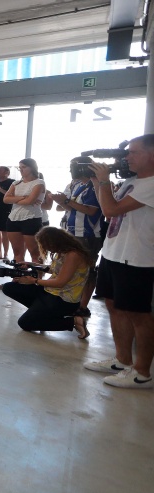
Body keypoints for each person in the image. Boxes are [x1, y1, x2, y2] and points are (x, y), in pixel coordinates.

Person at [83, 134, 154, 388]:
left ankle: (142, 373)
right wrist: (97, 183)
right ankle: (123, 360)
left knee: (138, 315)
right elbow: (108, 209)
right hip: (113, 252)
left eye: (133, 152)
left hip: (136, 258)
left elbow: (111, 209)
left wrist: (104, 181)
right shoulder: (132, 181)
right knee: (113, 306)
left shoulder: (151, 184)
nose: (127, 157)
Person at [1, 227, 90, 338]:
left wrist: (34, 281)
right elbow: (53, 269)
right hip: (49, 293)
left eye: (46, 245)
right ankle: (41, 313)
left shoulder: (73, 255)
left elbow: (60, 283)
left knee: (24, 323)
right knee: (9, 287)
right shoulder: (62, 251)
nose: (46, 249)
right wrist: (31, 264)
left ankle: (73, 322)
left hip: (63, 300)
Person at [50, 157, 103, 317]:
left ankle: (82, 306)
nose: (70, 170)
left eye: (72, 167)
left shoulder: (94, 186)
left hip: (87, 234)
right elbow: (68, 208)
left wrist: (66, 200)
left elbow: (91, 211)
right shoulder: (77, 185)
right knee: (67, 267)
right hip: (71, 232)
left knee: (88, 271)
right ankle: (69, 301)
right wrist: (61, 201)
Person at [4, 158, 45, 264]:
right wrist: (23, 197)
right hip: (14, 218)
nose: (21, 170)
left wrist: (15, 199)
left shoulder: (39, 182)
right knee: (17, 252)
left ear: (32, 168)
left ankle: (38, 274)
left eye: (24, 167)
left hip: (31, 218)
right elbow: (6, 199)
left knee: (34, 252)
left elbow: (29, 201)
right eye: (20, 167)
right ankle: (19, 273)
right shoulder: (16, 183)